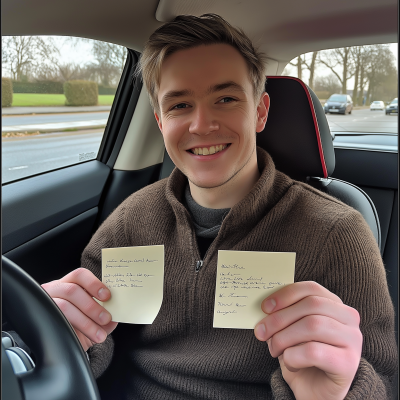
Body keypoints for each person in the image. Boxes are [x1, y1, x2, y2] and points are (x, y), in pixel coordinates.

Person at [42, 14, 397, 400]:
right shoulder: (131, 218)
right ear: (160, 122)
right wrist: (68, 335)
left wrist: (338, 391)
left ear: (260, 112)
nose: (202, 124)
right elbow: (93, 339)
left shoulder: (336, 232)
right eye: (179, 105)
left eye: (225, 99)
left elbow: (382, 382)